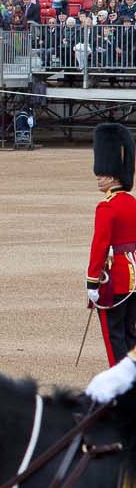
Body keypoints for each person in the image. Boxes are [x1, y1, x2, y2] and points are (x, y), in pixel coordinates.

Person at [89, 124, 136, 364]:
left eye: (101, 173)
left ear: (112, 174)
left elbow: (100, 246)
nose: (98, 177)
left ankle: (121, 385)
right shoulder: (132, 202)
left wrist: (92, 281)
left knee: (114, 336)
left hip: (116, 279)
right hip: (134, 277)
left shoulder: (107, 206)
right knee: (131, 334)